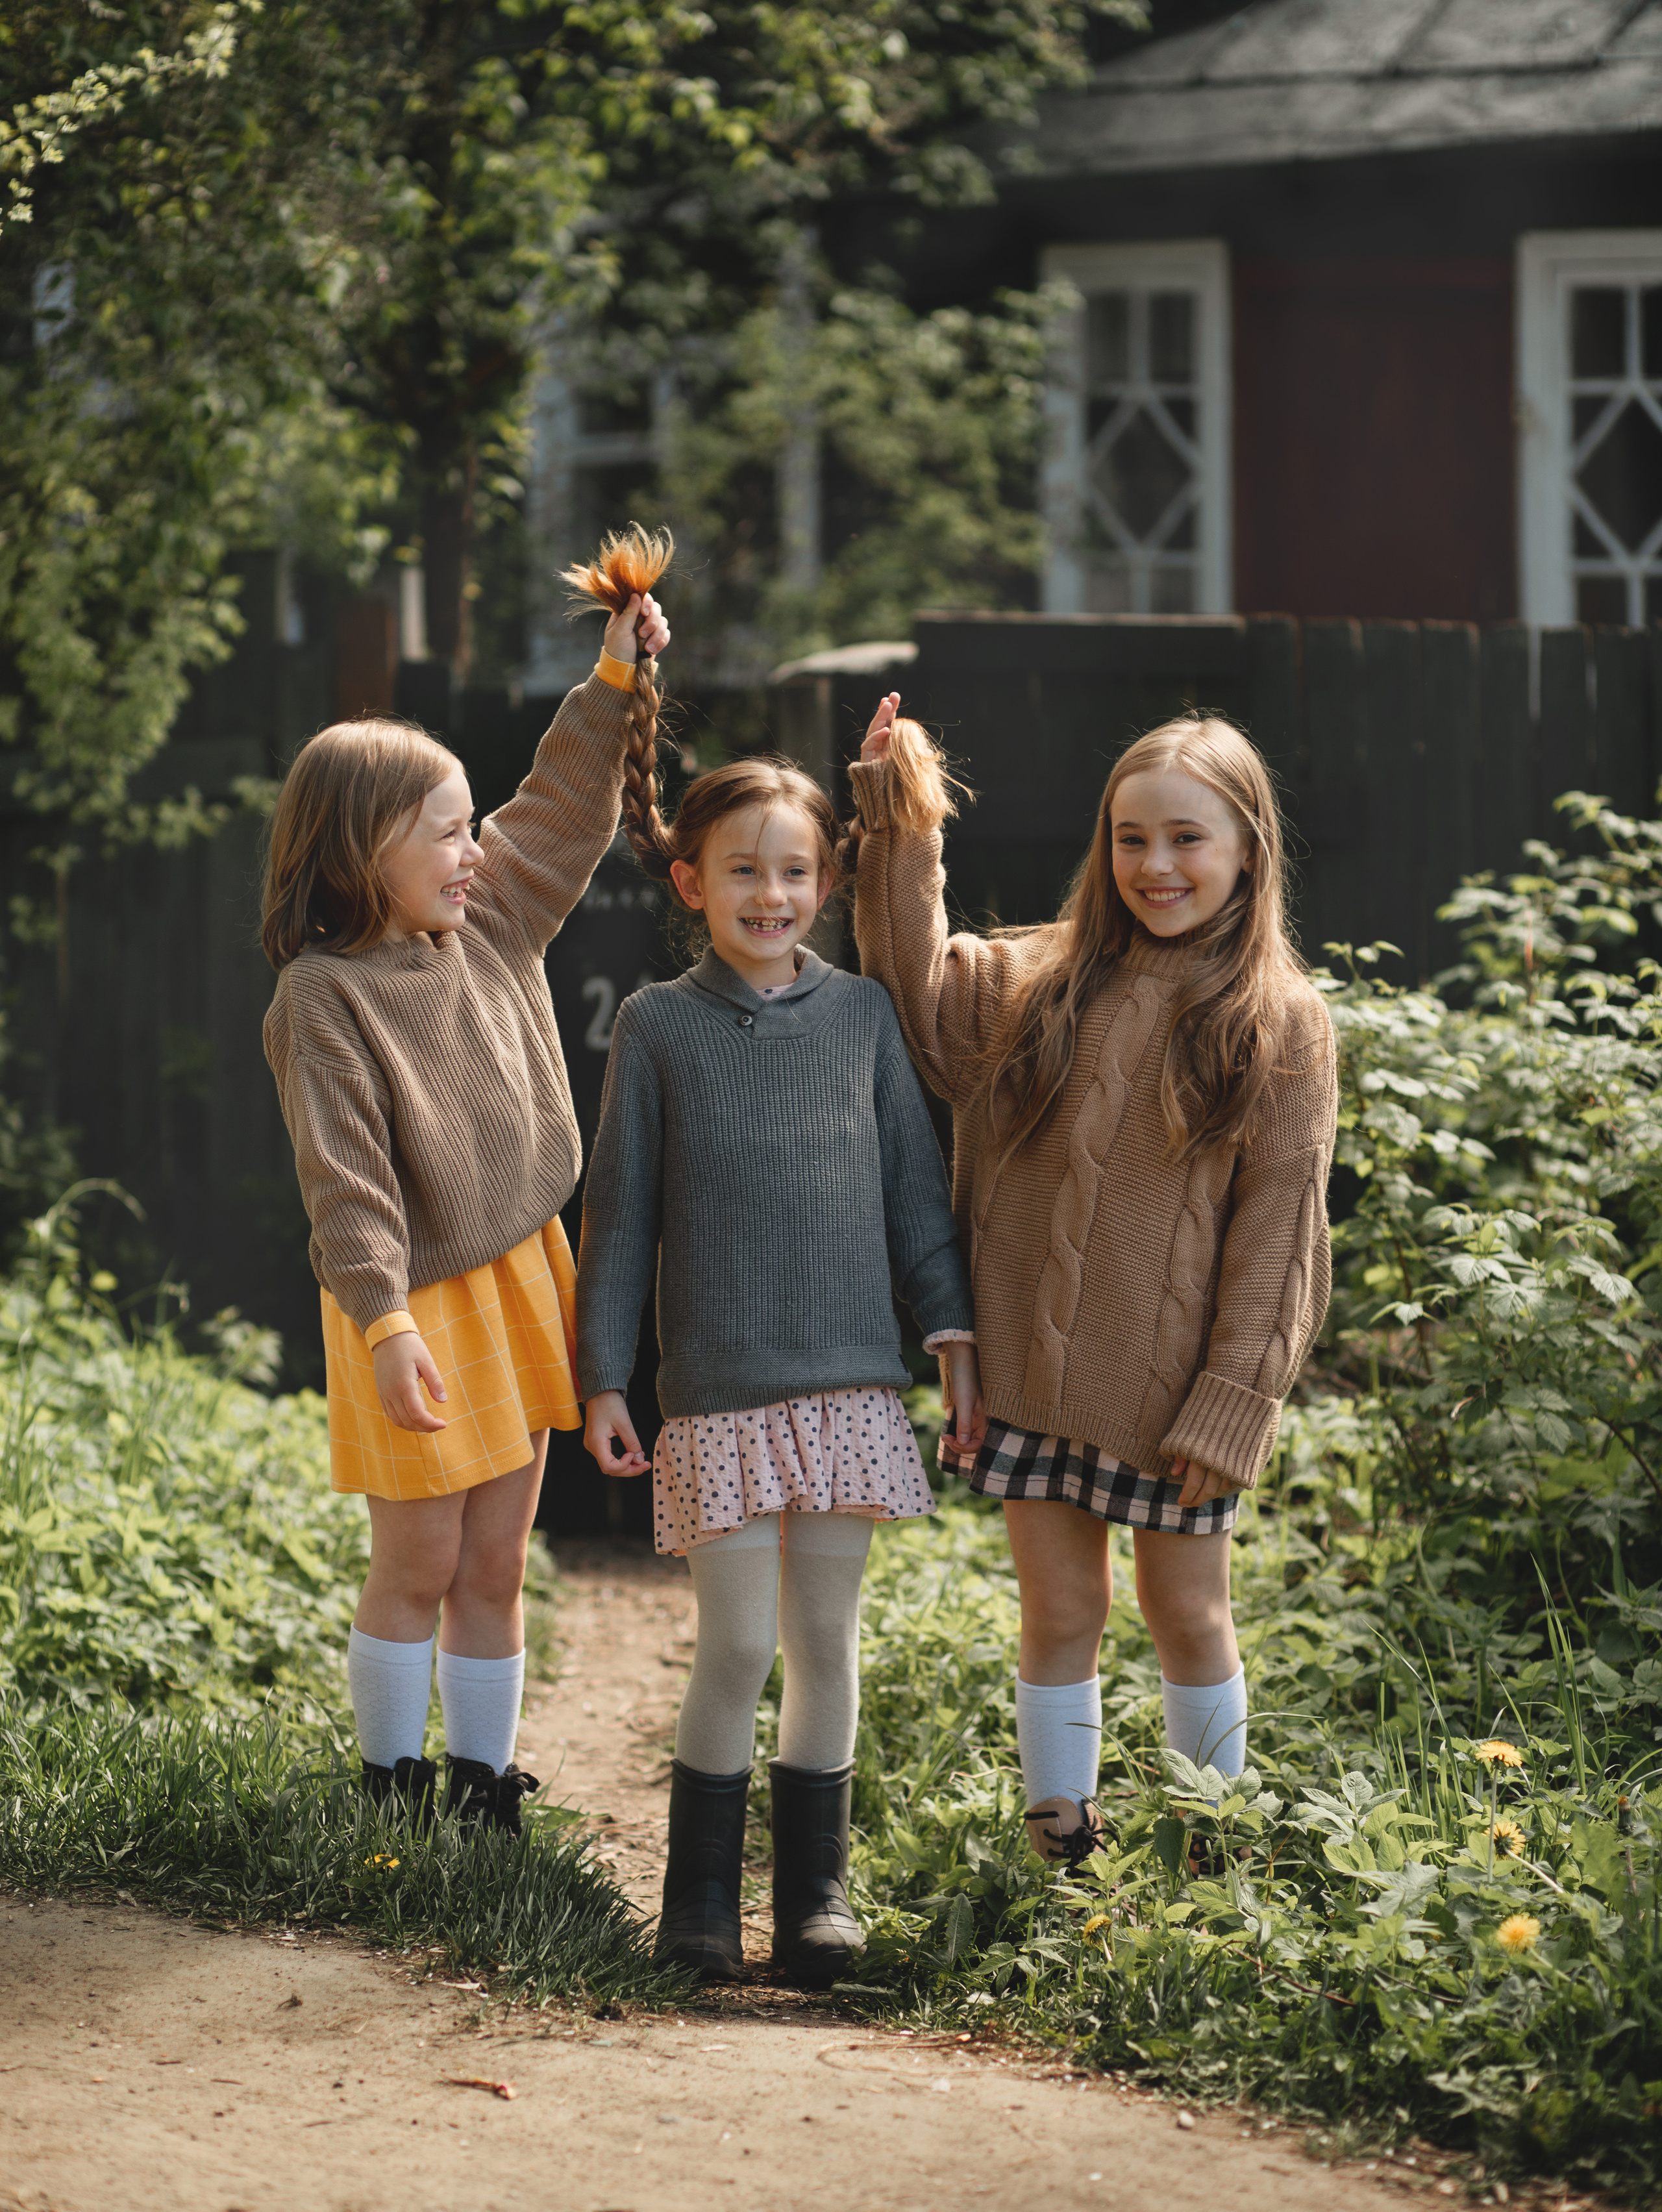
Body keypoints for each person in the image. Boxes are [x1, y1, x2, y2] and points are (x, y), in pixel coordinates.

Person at [848, 701, 1337, 1865]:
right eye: (1131, 839)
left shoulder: (1281, 1024)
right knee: (1060, 1615)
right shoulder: (1037, 980)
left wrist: (1234, 1402)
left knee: (1188, 1617)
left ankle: (1206, 1854)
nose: (1156, 867)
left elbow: (1282, 1232)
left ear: (1247, 851)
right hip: (1032, 1373)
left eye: (1186, 840)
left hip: (1175, 1399)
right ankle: (1057, 1842)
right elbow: (911, 991)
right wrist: (899, 816)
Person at [261, 528, 671, 1833]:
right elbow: (347, 1185)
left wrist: (611, 683)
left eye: (466, 829)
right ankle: (389, 1786)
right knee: (420, 1560)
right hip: (406, 1307)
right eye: (444, 833)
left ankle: (483, 1784)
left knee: (498, 1559)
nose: (472, 852)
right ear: (359, 848)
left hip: (517, 1279)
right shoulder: (323, 999)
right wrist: (380, 1323)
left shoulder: (487, 923)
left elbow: (554, 808)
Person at [575, 734, 984, 1987]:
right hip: (720, 1396)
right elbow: (621, 1215)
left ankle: (816, 1898)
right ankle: (696, 1900)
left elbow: (919, 1204)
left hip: (855, 1389)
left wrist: (954, 1342)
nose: (771, 895)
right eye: (743, 870)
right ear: (690, 881)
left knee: (826, 1644)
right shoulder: (656, 1028)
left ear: (829, 884)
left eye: (796, 872)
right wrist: (603, 1376)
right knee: (736, 1650)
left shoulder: (863, 1017)